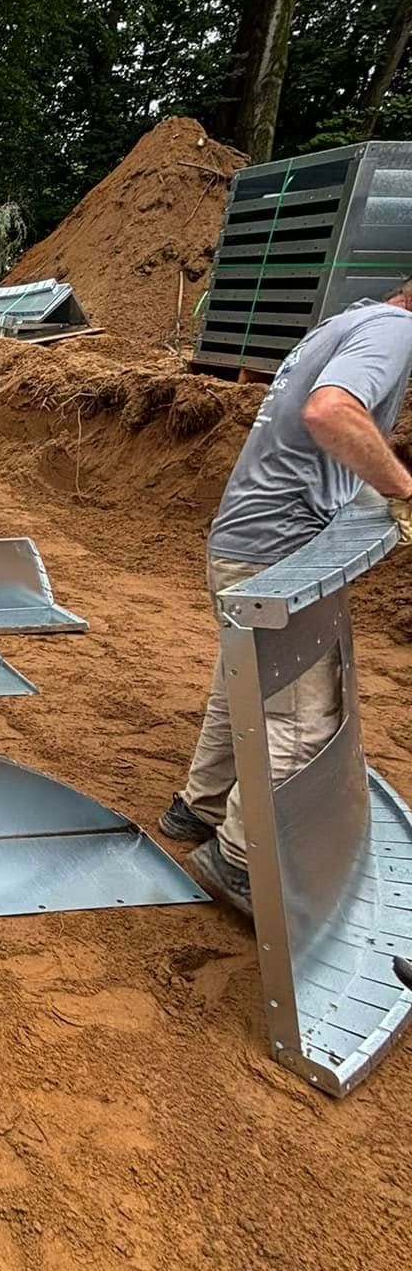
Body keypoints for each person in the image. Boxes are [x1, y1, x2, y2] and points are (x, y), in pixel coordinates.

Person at [159, 286, 412, 957]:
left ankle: (199, 807)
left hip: (248, 541)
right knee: (302, 716)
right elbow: (330, 412)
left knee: (241, 680)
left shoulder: (353, 320)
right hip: (277, 554)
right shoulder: (393, 333)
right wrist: (403, 488)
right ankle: (240, 861)